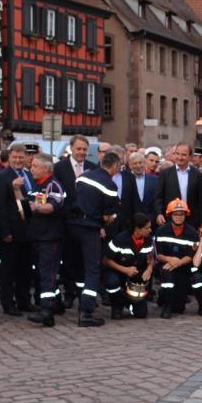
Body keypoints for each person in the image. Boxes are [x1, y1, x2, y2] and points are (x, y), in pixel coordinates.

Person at [72, 152, 123, 327]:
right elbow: (109, 215)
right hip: (90, 230)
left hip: (72, 227)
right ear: (115, 166)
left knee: (78, 268)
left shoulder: (82, 177)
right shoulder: (109, 185)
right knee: (93, 270)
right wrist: (105, 220)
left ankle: (79, 303)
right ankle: (86, 312)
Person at [17, 153, 66, 327]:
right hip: (36, 237)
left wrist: (35, 206)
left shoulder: (53, 185)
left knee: (47, 275)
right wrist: (17, 191)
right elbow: (25, 210)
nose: (32, 169)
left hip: (50, 238)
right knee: (43, 274)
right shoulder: (35, 186)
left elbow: (52, 206)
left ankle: (47, 312)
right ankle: (57, 303)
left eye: (35, 166)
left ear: (46, 168)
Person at [54, 135, 98, 309]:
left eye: (84, 149)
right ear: (71, 148)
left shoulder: (93, 168)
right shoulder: (59, 168)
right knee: (68, 260)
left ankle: (85, 296)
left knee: (84, 261)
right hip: (66, 222)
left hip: (87, 223)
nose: (81, 152)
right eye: (78, 149)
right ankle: (69, 293)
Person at [0, 144, 35, 317]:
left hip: (28, 231)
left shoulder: (29, 175)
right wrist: (4, 231)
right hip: (11, 231)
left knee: (25, 270)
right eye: (15, 157)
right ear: (8, 158)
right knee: (9, 271)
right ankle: (8, 303)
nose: (18, 160)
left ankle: (24, 301)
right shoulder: (2, 177)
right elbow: (0, 207)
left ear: (26, 158)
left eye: (21, 157)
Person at [153, 199, 198, 319]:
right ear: (170, 215)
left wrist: (177, 263)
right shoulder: (161, 231)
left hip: (183, 268)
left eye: (181, 214)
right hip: (166, 266)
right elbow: (158, 254)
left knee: (179, 308)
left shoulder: (192, 232)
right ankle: (166, 306)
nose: (179, 217)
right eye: (175, 214)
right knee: (168, 275)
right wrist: (170, 259)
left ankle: (163, 295)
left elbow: (190, 255)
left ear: (185, 215)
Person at [105, 213, 155, 320]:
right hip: (117, 272)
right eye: (147, 228)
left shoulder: (148, 240)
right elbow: (106, 260)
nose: (150, 230)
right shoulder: (119, 239)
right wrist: (125, 270)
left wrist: (149, 269)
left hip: (136, 275)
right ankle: (117, 307)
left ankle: (128, 304)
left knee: (141, 314)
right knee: (112, 282)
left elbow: (150, 258)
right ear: (137, 229)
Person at [157, 142, 202, 228]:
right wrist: (159, 213)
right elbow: (159, 197)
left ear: (190, 157)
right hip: (170, 220)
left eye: (184, 155)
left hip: (192, 221)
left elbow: (201, 201)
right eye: (177, 154)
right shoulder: (165, 174)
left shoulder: (197, 174)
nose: (180, 157)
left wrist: (201, 223)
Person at [121, 151, 160, 230]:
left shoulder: (155, 180)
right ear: (130, 165)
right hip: (131, 224)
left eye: (140, 163)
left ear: (144, 163)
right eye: (135, 163)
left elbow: (157, 199)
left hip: (151, 223)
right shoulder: (124, 179)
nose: (138, 166)